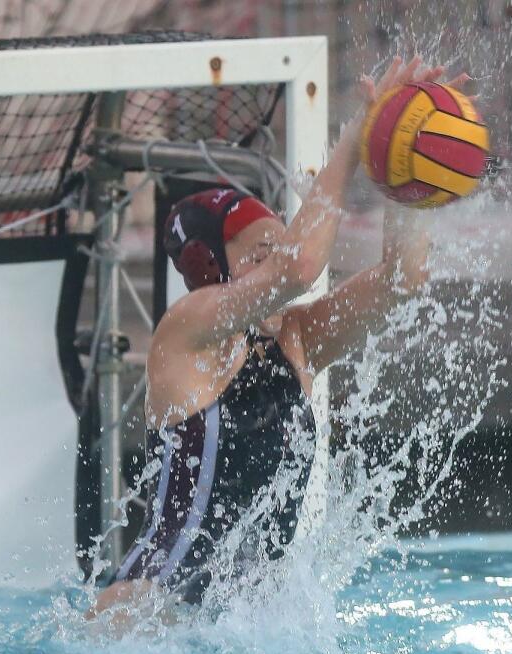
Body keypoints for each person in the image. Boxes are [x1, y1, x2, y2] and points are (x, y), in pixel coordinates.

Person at [91, 56, 468, 620]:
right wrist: (357, 137)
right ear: (211, 268)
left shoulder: (296, 340)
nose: (281, 264)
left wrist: (404, 175)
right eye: (262, 255)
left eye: (281, 245)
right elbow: (300, 269)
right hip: (146, 616)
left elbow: (402, 279)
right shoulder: (186, 333)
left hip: (244, 626)